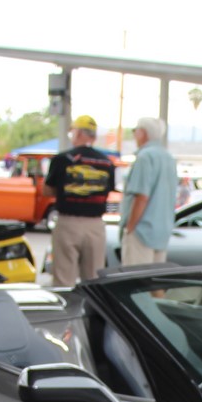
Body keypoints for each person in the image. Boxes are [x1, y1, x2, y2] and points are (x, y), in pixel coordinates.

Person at [43, 114, 116, 287]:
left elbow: (47, 190)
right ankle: (91, 312)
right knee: (93, 279)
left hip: (68, 223)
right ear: (94, 136)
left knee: (63, 278)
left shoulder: (62, 159)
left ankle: (67, 313)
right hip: (96, 225)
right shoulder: (107, 162)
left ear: (78, 133)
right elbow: (108, 190)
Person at [121, 116, 177, 265]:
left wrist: (130, 227)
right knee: (155, 282)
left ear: (142, 133)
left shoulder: (145, 157)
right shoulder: (169, 157)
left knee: (135, 281)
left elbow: (141, 197)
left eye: (135, 131)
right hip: (162, 232)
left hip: (141, 231)